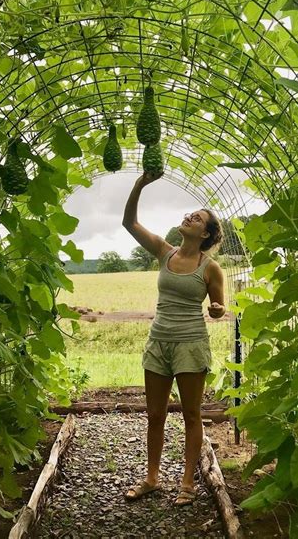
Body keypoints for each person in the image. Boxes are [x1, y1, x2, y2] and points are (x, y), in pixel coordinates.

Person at [122, 171, 226, 506]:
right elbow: (129, 223)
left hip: (191, 346)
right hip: (159, 343)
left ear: (205, 233)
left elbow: (218, 305)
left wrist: (217, 309)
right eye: (188, 214)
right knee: (155, 414)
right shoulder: (164, 252)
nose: (188, 217)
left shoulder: (210, 268)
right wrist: (140, 184)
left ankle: (187, 484)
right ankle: (152, 478)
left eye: (196, 218)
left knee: (191, 415)